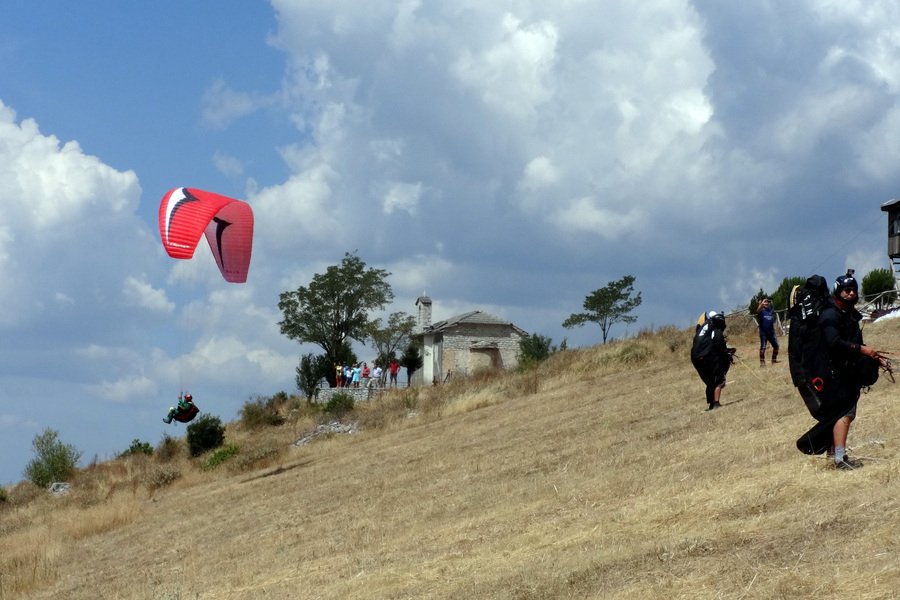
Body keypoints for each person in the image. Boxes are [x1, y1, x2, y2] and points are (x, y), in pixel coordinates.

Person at [808, 272, 888, 469]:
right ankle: (840, 459)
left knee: (838, 415)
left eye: (854, 290)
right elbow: (833, 342)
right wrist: (862, 350)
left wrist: (872, 357)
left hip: (845, 372)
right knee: (846, 413)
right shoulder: (830, 314)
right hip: (832, 374)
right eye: (847, 290)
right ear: (838, 291)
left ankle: (833, 457)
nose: (851, 294)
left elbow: (853, 343)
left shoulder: (847, 315)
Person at [690, 311, 735, 411]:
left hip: (695, 357)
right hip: (707, 356)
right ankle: (716, 403)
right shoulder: (715, 328)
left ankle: (711, 404)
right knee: (718, 379)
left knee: (710, 381)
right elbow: (718, 343)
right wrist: (726, 352)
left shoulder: (704, 328)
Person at [756, 297, 780, 366]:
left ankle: (774, 360)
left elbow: (772, 305)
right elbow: (757, 310)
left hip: (771, 333)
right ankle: (762, 363)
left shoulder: (770, 310)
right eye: (765, 302)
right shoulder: (761, 311)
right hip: (763, 333)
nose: (766, 303)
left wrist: (770, 302)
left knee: (776, 346)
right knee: (763, 347)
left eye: (767, 302)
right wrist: (761, 303)